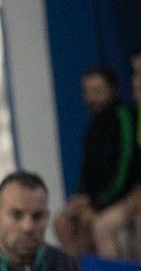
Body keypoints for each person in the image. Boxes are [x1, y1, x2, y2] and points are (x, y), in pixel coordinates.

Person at [53, 67, 137, 258]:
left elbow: (123, 170)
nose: (92, 98)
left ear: (113, 90)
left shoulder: (123, 117)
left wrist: (97, 203)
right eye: (87, 92)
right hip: (94, 198)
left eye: (97, 91)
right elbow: (88, 170)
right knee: (62, 222)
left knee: (89, 223)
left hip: (118, 196)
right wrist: (80, 197)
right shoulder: (93, 125)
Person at [92, 47, 141, 259]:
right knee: (101, 226)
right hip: (134, 195)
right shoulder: (137, 115)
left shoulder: (123, 116)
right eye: (135, 74)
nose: (137, 82)